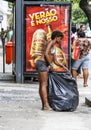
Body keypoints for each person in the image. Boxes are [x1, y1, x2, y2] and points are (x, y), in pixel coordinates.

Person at [35, 30, 68, 110]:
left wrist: (63, 66)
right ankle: (46, 105)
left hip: (41, 63)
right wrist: (50, 65)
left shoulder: (53, 46)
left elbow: (55, 60)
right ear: (56, 37)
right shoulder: (51, 43)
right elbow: (46, 54)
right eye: (60, 39)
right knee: (44, 84)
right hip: (42, 63)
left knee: (42, 84)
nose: (60, 41)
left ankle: (44, 105)